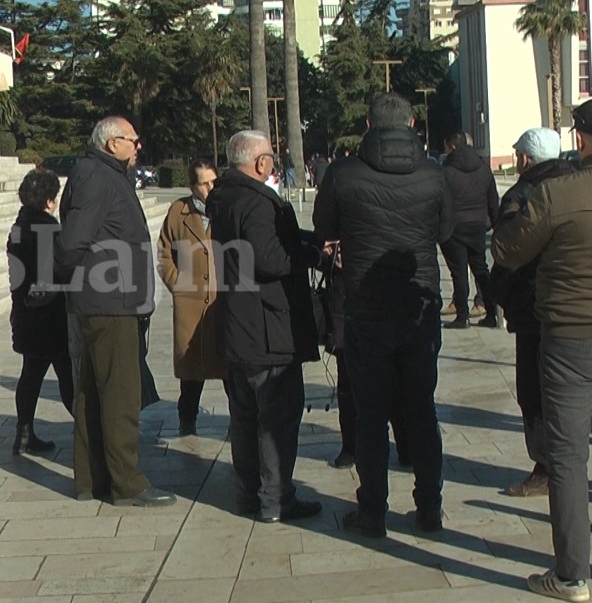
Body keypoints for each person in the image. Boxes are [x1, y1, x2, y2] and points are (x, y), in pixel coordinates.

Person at [314, 92, 453, 538]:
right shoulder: (434, 173)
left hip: (366, 307)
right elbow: (445, 230)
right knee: (421, 410)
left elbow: (324, 227)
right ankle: (430, 509)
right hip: (418, 306)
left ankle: (373, 511)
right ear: (412, 125)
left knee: (371, 415)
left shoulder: (344, 173)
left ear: (369, 125)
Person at [493, 99, 592, 601]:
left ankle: (574, 574)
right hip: (569, 334)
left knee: (569, 456)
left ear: (580, 139)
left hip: (570, 336)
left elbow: (508, 248)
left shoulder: (557, 193)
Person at [56, 115, 174, 507]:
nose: (138, 146)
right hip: (109, 302)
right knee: (121, 395)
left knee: (93, 393)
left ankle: (92, 479)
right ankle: (128, 484)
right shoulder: (95, 176)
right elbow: (73, 241)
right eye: (132, 140)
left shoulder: (104, 173)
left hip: (109, 299)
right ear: (112, 144)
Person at [208, 130, 324, 523]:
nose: (273, 163)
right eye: (272, 157)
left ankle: (249, 495)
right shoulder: (256, 202)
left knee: (244, 416)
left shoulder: (224, 196)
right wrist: (313, 256)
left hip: (238, 325)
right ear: (260, 163)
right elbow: (272, 258)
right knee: (276, 417)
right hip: (266, 328)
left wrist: (309, 242)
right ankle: (276, 499)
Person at [491, 128, 574, 498]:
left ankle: (546, 466)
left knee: (535, 392)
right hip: (573, 308)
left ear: (525, 159)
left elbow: (507, 254)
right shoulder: (577, 184)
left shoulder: (523, 194)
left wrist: (500, 296)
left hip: (533, 308)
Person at [325, 241, 413, 471]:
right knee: (348, 379)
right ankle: (350, 446)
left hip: (387, 283)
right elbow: (324, 228)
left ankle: (405, 445)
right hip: (347, 295)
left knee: (396, 377)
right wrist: (330, 251)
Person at [6, 168, 75, 456]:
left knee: (31, 374)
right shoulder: (50, 231)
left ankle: (24, 433)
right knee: (68, 376)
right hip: (52, 316)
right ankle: (88, 431)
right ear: (49, 200)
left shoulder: (18, 228)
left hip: (25, 312)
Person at [156, 159, 225, 437]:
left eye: (213, 181)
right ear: (192, 186)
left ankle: (242, 422)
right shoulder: (178, 212)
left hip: (221, 303)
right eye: (204, 183)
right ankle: (187, 420)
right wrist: (177, 283)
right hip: (190, 303)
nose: (210, 187)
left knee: (229, 369)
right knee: (191, 371)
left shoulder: (227, 208)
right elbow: (164, 253)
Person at [440, 131, 500, 328]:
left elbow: (441, 201)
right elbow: (493, 201)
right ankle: (491, 313)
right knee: (481, 268)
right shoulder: (484, 169)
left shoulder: (446, 171)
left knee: (459, 273)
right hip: (477, 226)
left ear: (453, 148)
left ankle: (462, 315)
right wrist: (494, 223)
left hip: (454, 227)